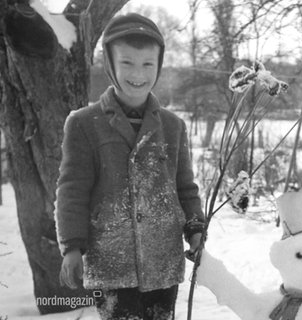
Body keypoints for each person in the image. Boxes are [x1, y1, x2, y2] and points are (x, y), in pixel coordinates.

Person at [55, 13, 205, 319]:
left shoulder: (173, 126)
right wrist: (72, 246)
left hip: (163, 260)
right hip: (110, 261)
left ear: (159, 66)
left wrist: (195, 229)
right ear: (110, 63)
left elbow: (184, 186)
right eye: (127, 63)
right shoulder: (85, 123)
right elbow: (72, 190)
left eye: (147, 64)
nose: (138, 73)